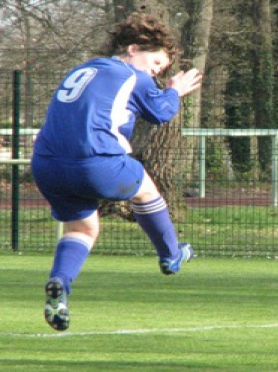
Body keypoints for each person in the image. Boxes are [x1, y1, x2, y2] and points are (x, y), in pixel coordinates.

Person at [31, 13, 203, 332]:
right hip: (94, 162)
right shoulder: (130, 75)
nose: (155, 74)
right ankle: (171, 256)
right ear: (134, 49)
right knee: (147, 189)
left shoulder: (84, 69)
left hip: (46, 165)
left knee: (82, 230)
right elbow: (161, 112)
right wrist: (174, 90)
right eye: (155, 64)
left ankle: (59, 285)